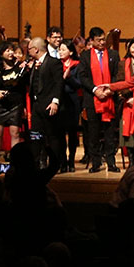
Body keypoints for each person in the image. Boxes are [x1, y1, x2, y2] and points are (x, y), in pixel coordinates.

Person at [77, 27, 121, 173]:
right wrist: (95, 89)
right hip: (92, 98)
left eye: (103, 39)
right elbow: (83, 76)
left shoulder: (113, 54)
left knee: (110, 134)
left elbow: (117, 74)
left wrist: (109, 89)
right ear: (91, 41)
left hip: (109, 98)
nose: (102, 42)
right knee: (93, 133)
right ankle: (96, 162)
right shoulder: (85, 56)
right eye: (98, 40)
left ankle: (111, 162)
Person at [23, 34, 65, 171]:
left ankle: (54, 163)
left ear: (36, 49)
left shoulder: (54, 62)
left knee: (52, 136)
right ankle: (36, 162)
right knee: (35, 135)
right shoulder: (33, 64)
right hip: (36, 105)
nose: (28, 52)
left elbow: (59, 83)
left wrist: (55, 101)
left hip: (49, 104)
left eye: (29, 49)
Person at [0, 41, 27, 165]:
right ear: (0, 53)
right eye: (7, 50)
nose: (11, 53)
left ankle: (15, 162)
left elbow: (23, 85)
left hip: (15, 103)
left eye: (11, 50)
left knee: (15, 133)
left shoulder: (19, 65)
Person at [55, 42, 83, 174]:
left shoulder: (77, 65)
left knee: (72, 133)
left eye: (63, 49)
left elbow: (79, 84)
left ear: (70, 52)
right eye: (59, 50)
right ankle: (62, 162)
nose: (60, 52)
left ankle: (71, 161)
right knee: (60, 134)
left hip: (73, 102)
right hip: (60, 102)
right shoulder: (56, 65)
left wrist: (69, 77)